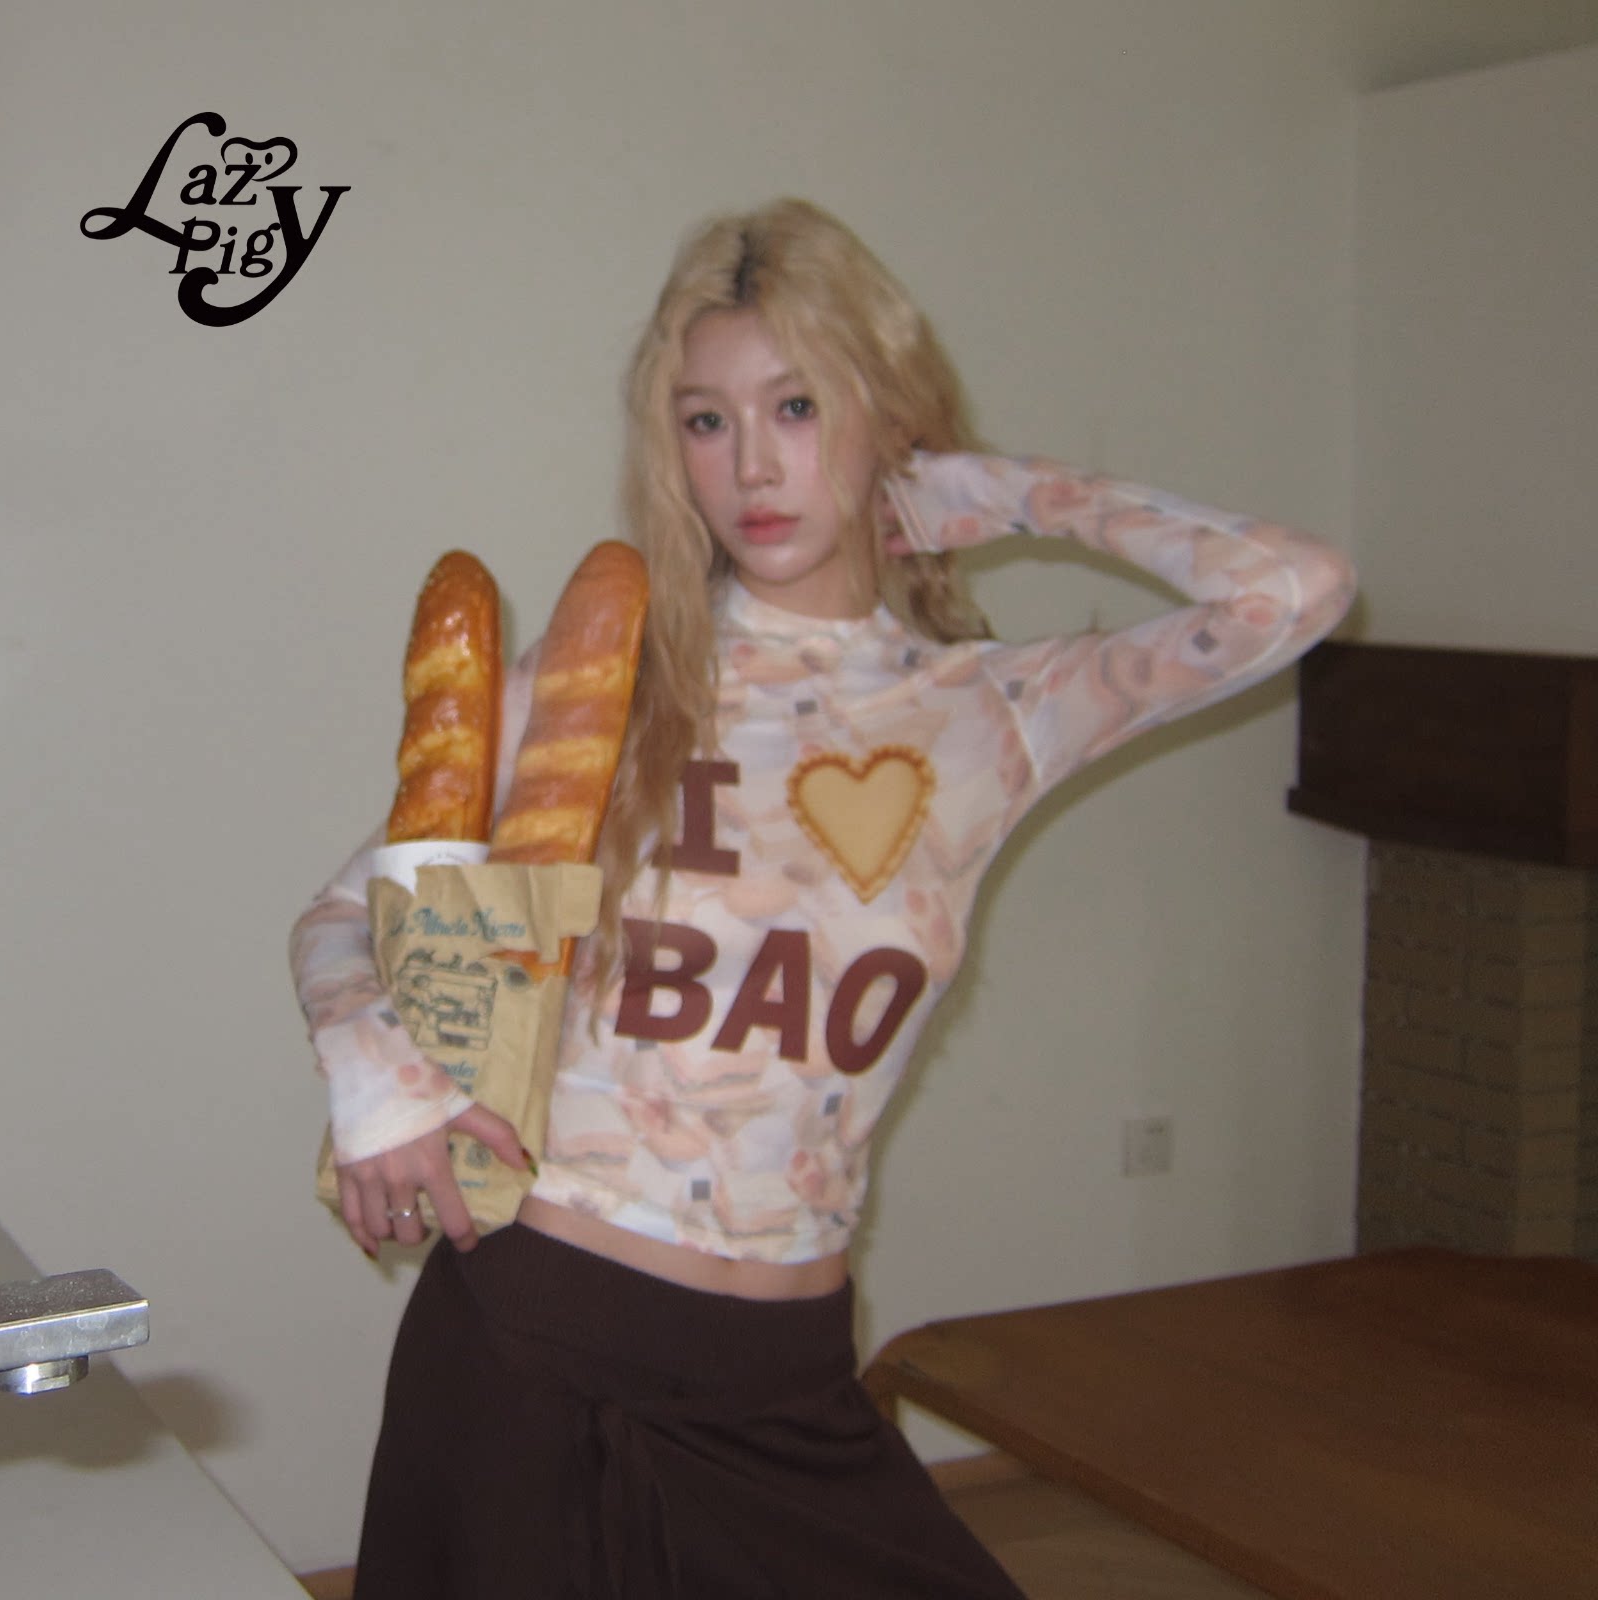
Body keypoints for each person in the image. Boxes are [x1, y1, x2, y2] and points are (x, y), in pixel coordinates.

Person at [290, 197, 1355, 1598]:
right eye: (706, 421)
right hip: (528, 1340)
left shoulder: (993, 715)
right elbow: (346, 915)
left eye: (797, 407)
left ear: (883, 416)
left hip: (785, 1380)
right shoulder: (612, 680)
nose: (752, 466)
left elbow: (1296, 591)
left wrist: (988, 492)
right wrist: (383, 1088)